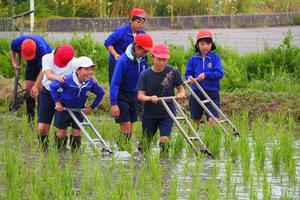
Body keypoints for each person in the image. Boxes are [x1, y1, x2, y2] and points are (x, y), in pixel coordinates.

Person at [137, 43, 185, 152]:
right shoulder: (145, 75)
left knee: (164, 139)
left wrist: (181, 94)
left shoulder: (172, 72)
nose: (161, 62)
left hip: (167, 113)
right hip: (150, 113)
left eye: (164, 59)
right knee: (145, 144)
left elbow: (181, 88)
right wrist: (149, 98)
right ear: (152, 58)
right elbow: (140, 95)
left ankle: (164, 162)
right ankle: (142, 163)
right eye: (159, 59)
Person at [50, 56, 105, 150]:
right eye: (86, 69)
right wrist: (57, 102)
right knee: (61, 132)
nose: (90, 72)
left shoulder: (91, 82)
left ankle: (75, 156)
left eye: (91, 69)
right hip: (64, 109)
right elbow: (52, 87)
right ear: (78, 70)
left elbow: (101, 93)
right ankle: (59, 154)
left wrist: (91, 107)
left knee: (77, 132)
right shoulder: (67, 79)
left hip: (78, 110)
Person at [110, 33, 153, 142]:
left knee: (131, 128)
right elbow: (115, 83)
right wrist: (114, 103)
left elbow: (146, 77)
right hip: (122, 95)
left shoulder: (143, 59)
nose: (145, 54)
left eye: (147, 52)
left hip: (135, 95)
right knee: (126, 127)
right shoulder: (123, 61)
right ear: (136, 47)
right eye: (144, 51)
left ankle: (123, 151)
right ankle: (122, 152)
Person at [34, 44, 77, 149]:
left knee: (61, 130)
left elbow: (84, 71)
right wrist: (59, 78)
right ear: (55, 53)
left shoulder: (75, 62)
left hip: (63, 96)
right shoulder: (47, 58)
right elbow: (48, 75)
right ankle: (43, 150)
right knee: (42, 128)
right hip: (47, 93)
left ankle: (60, 155)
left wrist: (91, 76)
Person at [185, 30, 224, 126]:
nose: (205, 46)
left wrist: (206, 75)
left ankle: (213, 140)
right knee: (194, 120)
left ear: (212, 45)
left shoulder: (215, 58)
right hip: (196, 92)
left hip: (212, 93)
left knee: (213, 121)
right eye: (202, 44)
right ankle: (193, 139)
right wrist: (190, 78)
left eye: (208, 44)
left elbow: (219, 73)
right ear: (197, 45)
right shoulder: (193, 59)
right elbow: (188, 73)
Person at [10, 35, 52, 121]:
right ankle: (30, 118)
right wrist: (13, 62)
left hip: (46, 64)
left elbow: (43, 69)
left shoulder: (42, 49)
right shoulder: (17, 42)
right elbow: (12, 49)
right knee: (29, 89)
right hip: (31, 63)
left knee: (40, 89)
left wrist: (36, 86)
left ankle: (41, 118)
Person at [104, 8, 147, 83]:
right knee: (116, 81)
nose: (140, 25)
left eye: (142, 23)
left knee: (129, 82)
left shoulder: (142, 33)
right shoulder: (121, 31)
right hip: (118, 60)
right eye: (138, 22)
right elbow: (108, 43)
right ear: (131, 20)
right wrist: (115, 54)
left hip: (132, 62)